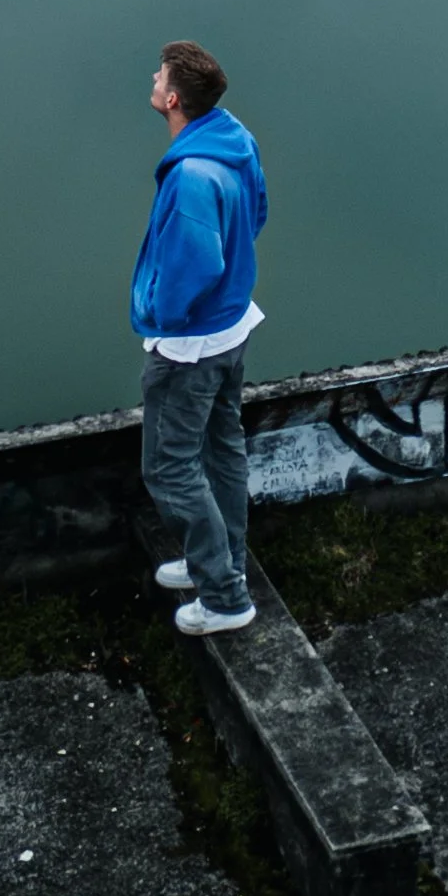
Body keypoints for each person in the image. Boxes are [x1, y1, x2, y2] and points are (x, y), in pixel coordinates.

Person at [131, 39, 267, 635]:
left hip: (191, 345)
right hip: (233, 326)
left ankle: (224, 596)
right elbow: (257, 213)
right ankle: (221, 563)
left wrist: (161, 314)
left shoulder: (189, 176)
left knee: (169, 469)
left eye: (159, 75)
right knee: (223, 451)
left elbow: (194, 265)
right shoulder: (233, 141)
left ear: (174, 99)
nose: (153, 79)